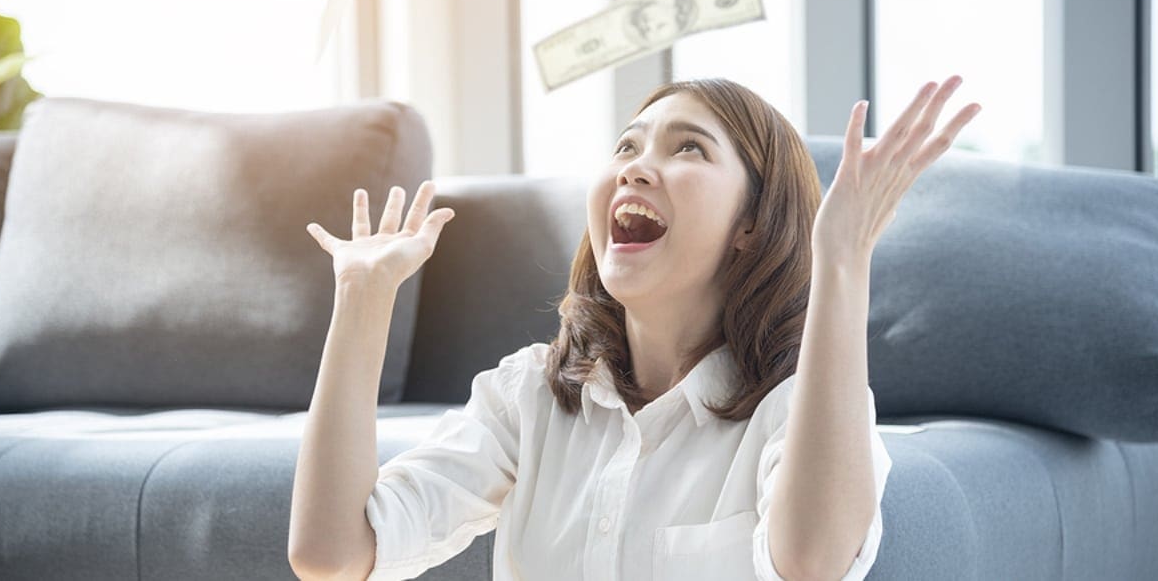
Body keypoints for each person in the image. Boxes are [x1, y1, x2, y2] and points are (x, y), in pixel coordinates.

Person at [288, 76, 982, 581]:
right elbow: (333, 554)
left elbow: (811, 564)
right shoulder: (531, 395)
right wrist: (362, 298)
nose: (637, 167)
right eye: (627, 145)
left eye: (690, 149)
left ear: (752, 225)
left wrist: (842, 261)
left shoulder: (797, 411)